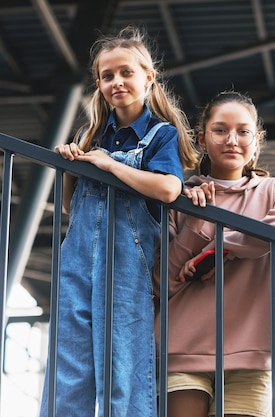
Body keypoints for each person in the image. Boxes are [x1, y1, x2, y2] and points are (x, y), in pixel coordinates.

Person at [40, 26, 197, 417]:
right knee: (68, 363)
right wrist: (70, 167)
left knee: (122, 365)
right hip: (77, 261)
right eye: (108, 76)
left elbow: (167, 189)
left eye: (126, 72)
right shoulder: (89, 134)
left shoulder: (161, 134)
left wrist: (108, 165)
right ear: (99, 84)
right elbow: (69, 208)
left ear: (148, 77)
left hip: (127, 265)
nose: (117, 82)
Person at [152, 90, 275, 417]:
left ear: (256, 140)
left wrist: (218, 249)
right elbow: (162, 282)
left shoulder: (272, 191)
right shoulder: (179, 196)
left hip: (251, 354)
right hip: (181, 350)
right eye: (220, 130)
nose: (232, 139)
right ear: (202, 138)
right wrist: (194, 227)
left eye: (243, 131)